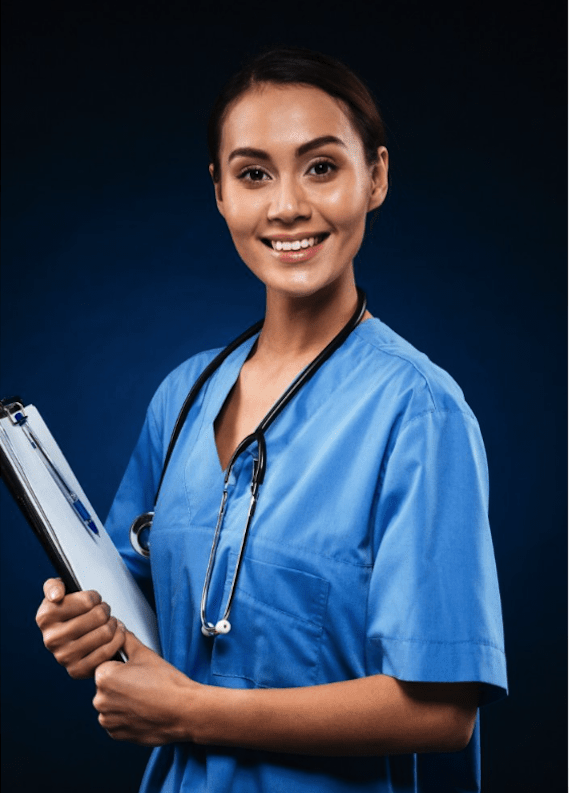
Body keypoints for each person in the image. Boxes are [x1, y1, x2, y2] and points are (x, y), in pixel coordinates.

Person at [35, 46, 507, 793]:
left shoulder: (417, 410)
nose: (287, 204)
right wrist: (85, 623)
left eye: (320, 166)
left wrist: (194, 710)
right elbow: (139, 610)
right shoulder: (183, 395)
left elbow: (442, 712)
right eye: (254, 174)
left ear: (374, 177)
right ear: (220, 193)